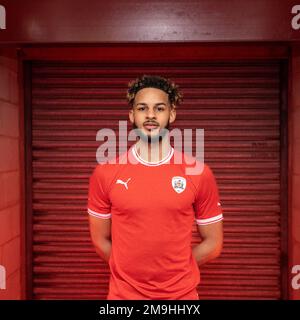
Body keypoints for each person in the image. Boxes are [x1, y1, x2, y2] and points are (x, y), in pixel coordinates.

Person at [87, 75, 223, 300]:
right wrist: (130, 270)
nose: (150, 115)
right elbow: (100, 240)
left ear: (171, 114)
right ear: (132, 115)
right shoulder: (106, 173)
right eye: (142, 108)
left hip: (181, 297)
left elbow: (214, 243)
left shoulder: (198, 172)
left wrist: (174, 268)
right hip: (124, 297)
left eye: (159, 108)